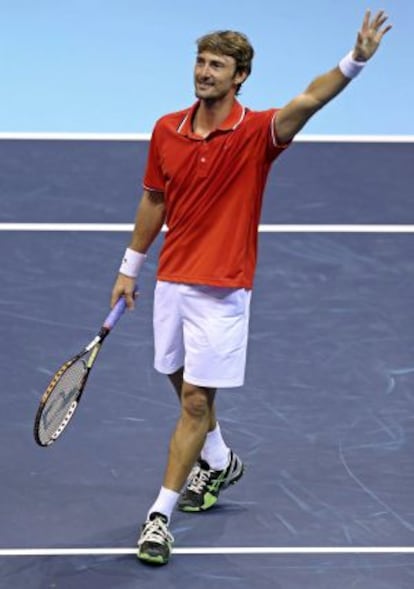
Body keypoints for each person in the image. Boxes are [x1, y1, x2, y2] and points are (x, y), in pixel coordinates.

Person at [110, 10, 391, 565]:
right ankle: (219, 458)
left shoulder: (259, 132)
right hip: (172, 278)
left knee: (195, 401)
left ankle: (159, 518)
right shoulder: (167, 129)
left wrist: (355, 60)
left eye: (217, 65)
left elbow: (310, 99)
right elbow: (154, 200)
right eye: (201, 61)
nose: (205, 71)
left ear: (240, 76)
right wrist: (129, 267)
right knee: (175, 374)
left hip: (223, 288)